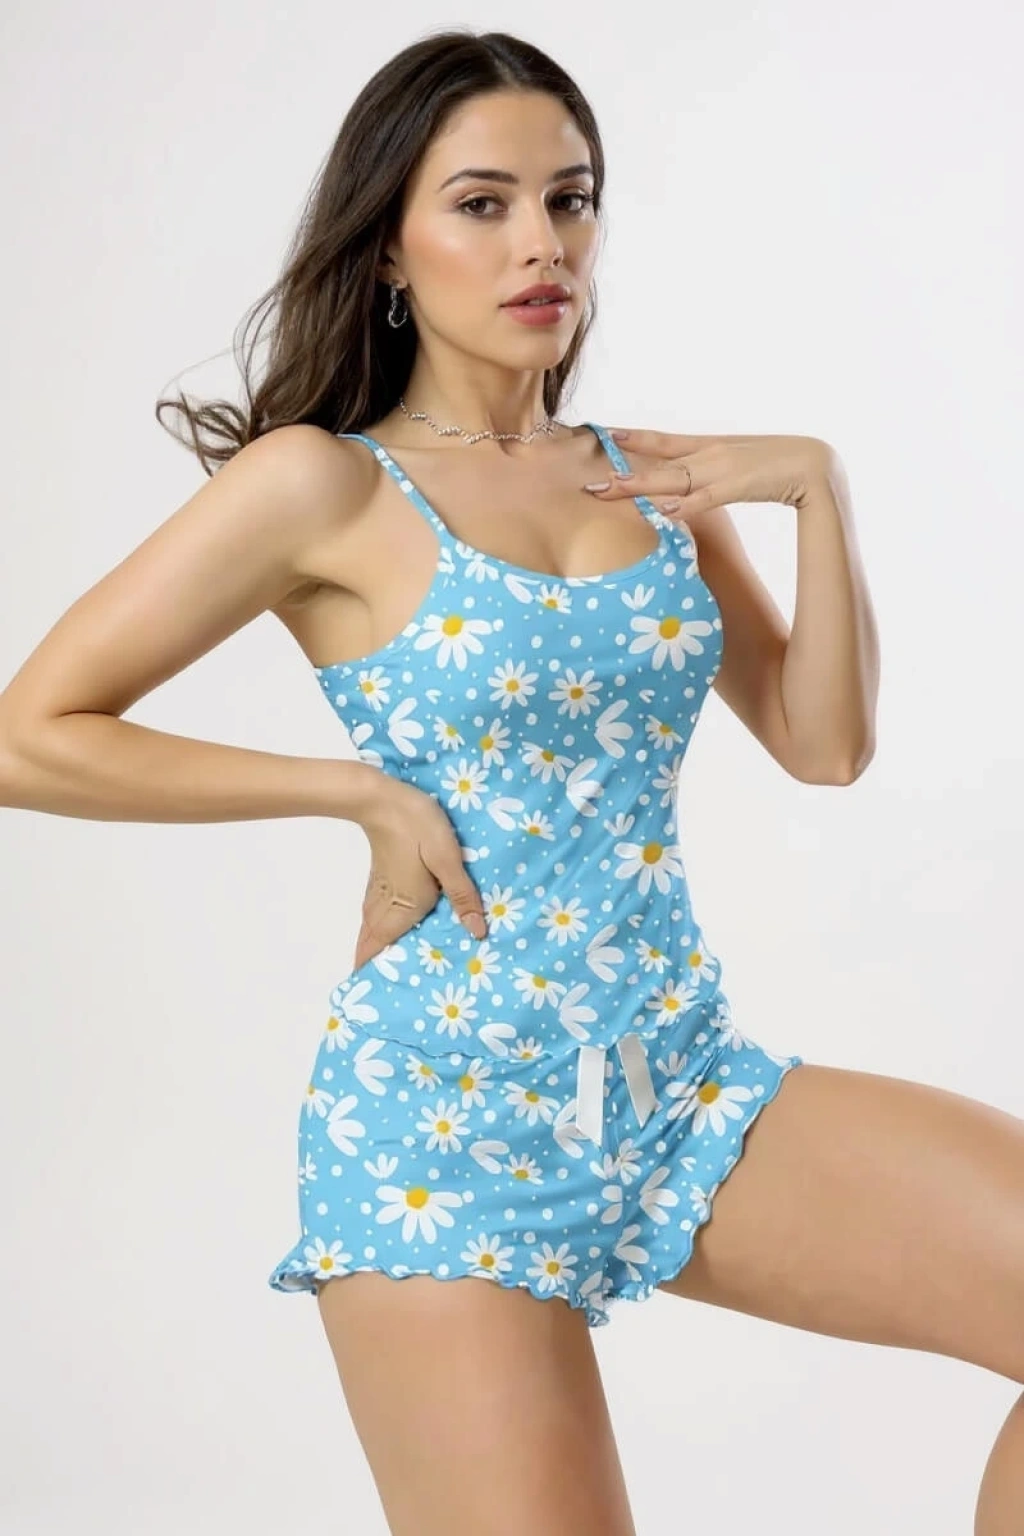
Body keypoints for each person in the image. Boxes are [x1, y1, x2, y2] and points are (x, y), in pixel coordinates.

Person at [1, 26, 1021, 1536]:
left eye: (570, 198)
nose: (542, 242)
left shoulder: (646, 482)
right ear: (389, 247)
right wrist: (357, 795)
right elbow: (29, 734)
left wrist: (815, 486)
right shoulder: (321, 483)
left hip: (681, 1085)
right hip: (441, 1128)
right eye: (483, 203)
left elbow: (825, 747)